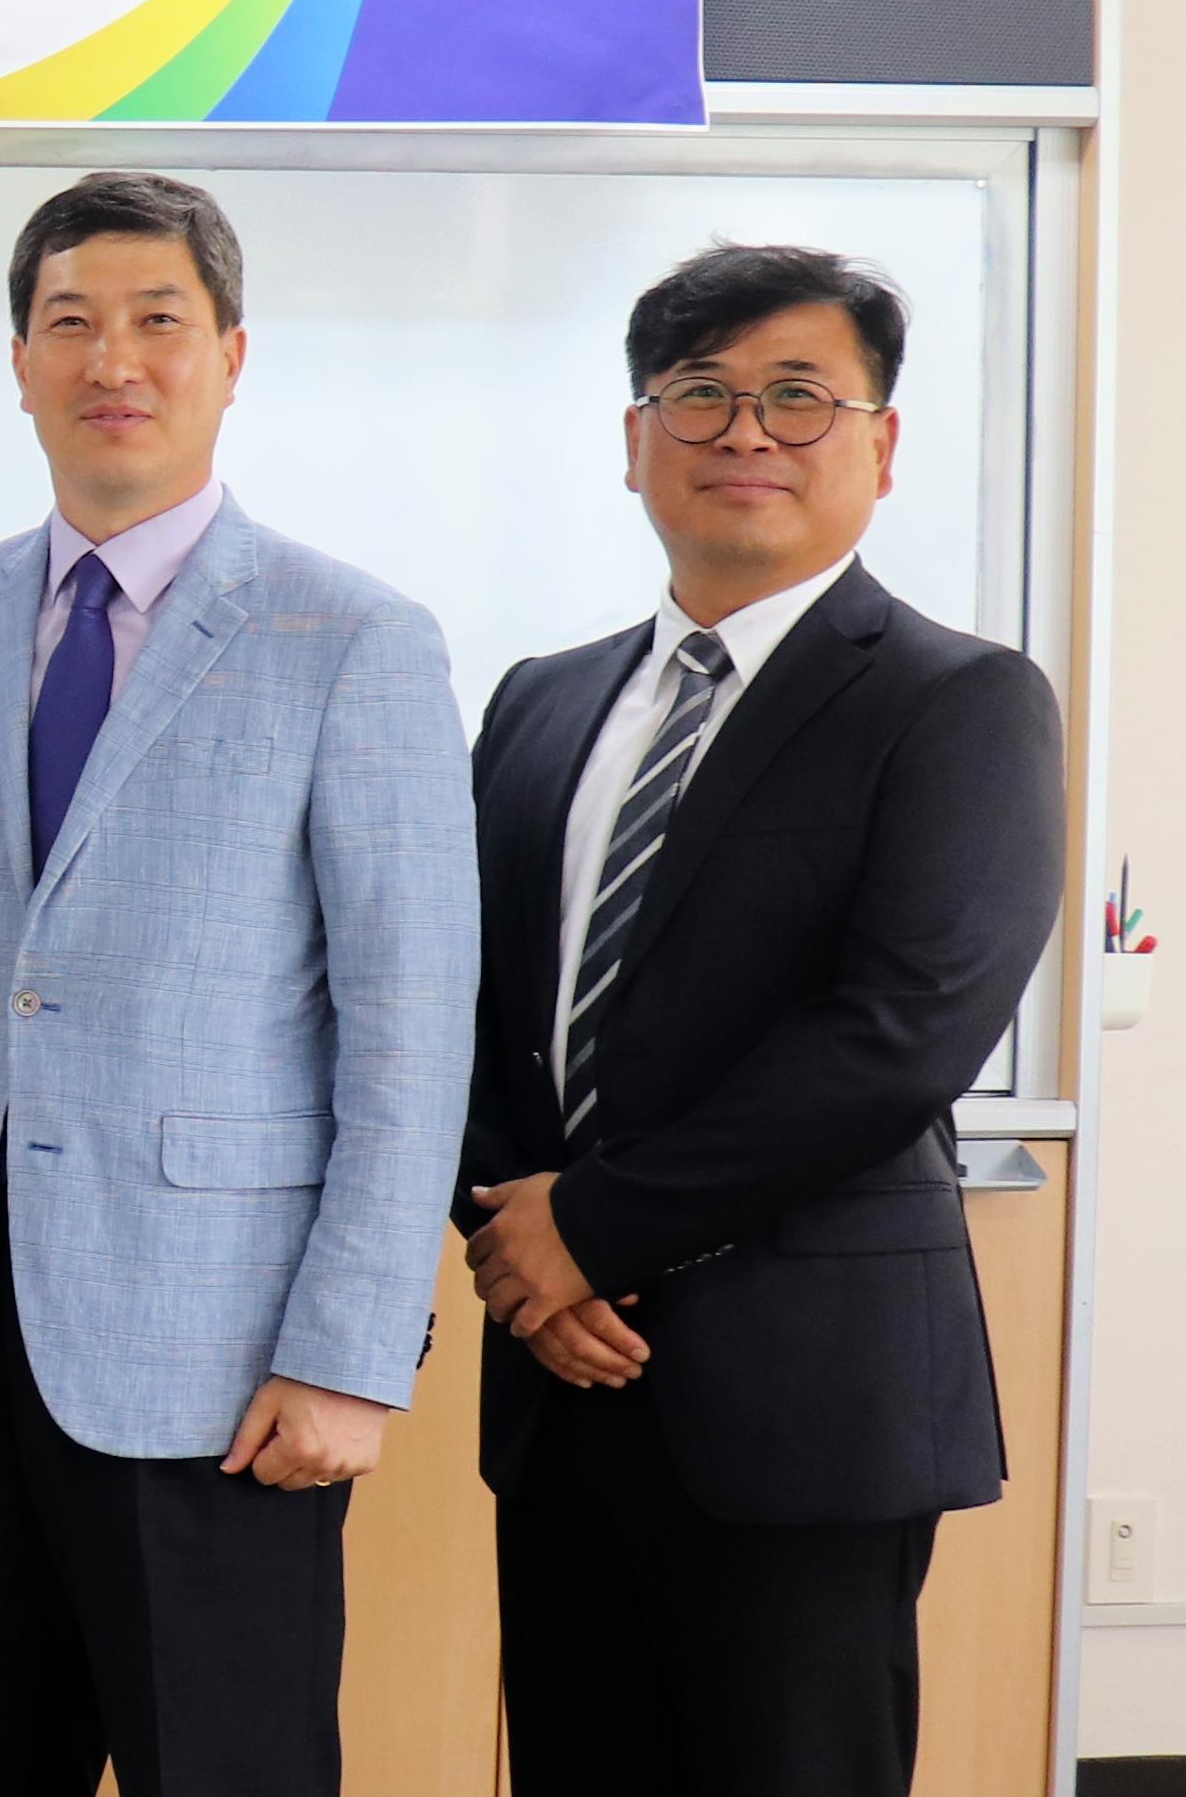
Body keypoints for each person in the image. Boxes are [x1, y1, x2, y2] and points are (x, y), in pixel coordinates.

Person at [0, 174, 475, 1797]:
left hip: (221, 1362)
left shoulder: (350, 637)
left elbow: (409, 1029)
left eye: (157, 321)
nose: (112, 360)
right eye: (68, 323)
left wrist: (350, 1351)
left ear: (229, 355)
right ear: (17, 362)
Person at [458, 244, 1056, 1797]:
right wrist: (511, 1247)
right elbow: (458, 1004)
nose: (744, 434)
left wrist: (587, 1226)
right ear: (633, 436)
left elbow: (901, 1033)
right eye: (700, 394)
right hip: (561, 1380)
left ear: (880, 443)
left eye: (798, 398)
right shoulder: (537, 702)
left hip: (808, 1397)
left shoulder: (956, 699)